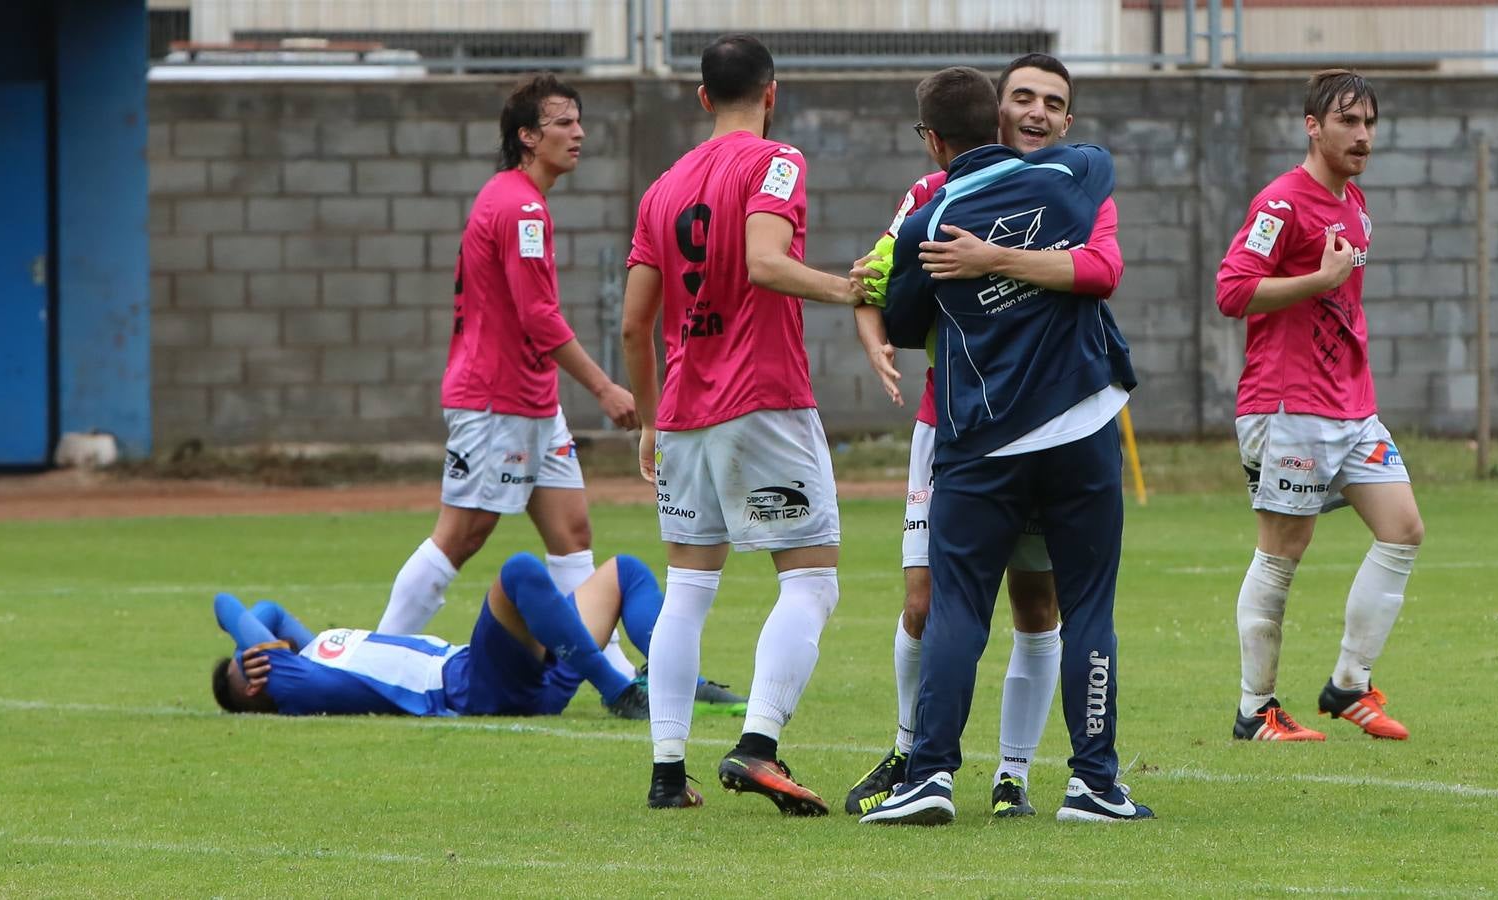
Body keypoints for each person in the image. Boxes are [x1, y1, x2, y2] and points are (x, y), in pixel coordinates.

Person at [375, 73, 744, 712]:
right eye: (562, 124)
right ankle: (379, 658)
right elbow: (537, 317)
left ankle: (620, 675)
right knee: (462, 532)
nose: (578, 134)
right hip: (495, 401)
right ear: (526, 136)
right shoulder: (517, 206)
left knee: (572, 534)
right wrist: (606, 387)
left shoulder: (520, 200)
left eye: (579, 121)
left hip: (533, 401)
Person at [861, 66, 1150, 825]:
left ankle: (930, 776)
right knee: (1086, 608)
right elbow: (1089, 249)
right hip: (1080, 428)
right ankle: (1092, 783)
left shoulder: (932, 219)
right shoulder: (1082, 172)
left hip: (981, 441)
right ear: (996, 116)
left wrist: (987, 265)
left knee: (961, 608)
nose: (1038, 112)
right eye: (1025, 99)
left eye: (1053, 103)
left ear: (932, 139)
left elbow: (899, 317)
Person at [621, 34, 861, 815]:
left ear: (700, 97)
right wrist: (847, 291)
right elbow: (764, 262)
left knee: (686, 589)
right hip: (761, 399)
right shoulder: (776, 160)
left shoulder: (661, 188)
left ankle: (665, 773)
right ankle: (757, 746)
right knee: (811, 581)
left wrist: (650, 418)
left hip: (685, 406)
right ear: (771, 92)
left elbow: (633, 325)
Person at [1215, 69, 1422, 743]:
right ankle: (1256, 710)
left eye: (1368, 123)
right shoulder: (1280, 204)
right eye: (1347, 122)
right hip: (1287, 403)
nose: (1361, 135)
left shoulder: (1355, 202)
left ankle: (1347, 686)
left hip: (1350, 406)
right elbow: (1231, 291)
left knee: (1402, 528)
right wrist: (1316, 279)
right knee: (1283, 551)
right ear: (1312, 125)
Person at [212, 554, 661, 726]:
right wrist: (243, 646)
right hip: (475, 686)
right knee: (520, 571)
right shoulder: (288, 683)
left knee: (623, 574)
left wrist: (243, 648)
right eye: (249, 659)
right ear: (254, 685)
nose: (258, 647)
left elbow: (268, 609)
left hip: (512, 677)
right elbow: (225, 603)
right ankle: (618, 689)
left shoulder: (309, 656)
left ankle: (676, 677)